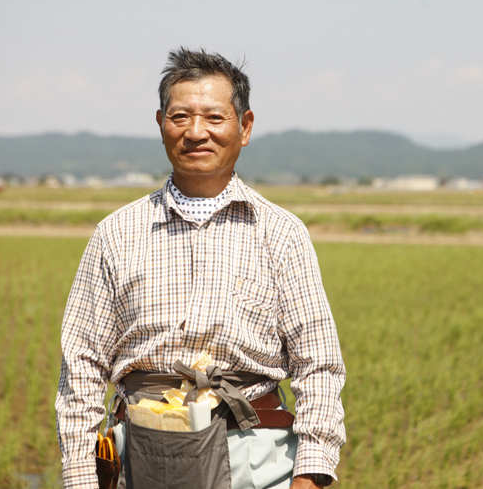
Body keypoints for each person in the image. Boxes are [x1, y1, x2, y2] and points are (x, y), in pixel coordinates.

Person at [55, 47, 346, 489]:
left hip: (257, 455)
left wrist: (311, 473)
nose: (196, 132)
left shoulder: (281, 233)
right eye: (180, 117)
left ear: (244, 127)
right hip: (141, 454)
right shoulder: (116, 233)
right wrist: (80, 477)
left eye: (214, 118)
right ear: (160, 124)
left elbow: (319, 365)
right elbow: (81, 366)